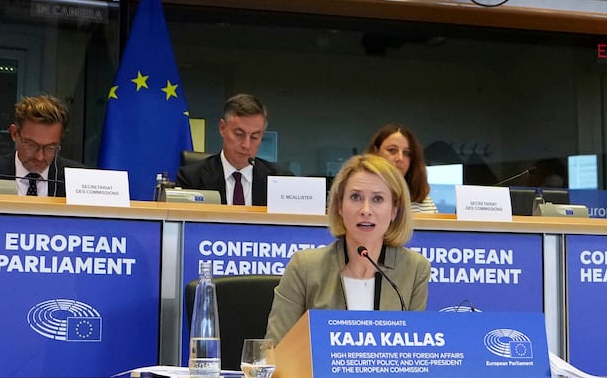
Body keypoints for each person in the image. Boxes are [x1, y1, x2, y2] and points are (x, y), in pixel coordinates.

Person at [264, 153, 430, 342]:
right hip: (314, 372)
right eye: (355, 197)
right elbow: (275, 349)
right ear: (339, 206)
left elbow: (415, 354)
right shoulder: (305, 267)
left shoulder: (414, 269)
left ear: (394, 209)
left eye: (377, 199)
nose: (365, 210)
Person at [175, 93, 279, 205]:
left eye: (254, 137)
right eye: (239, 134)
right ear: (222, 128)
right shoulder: (191, 179)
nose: (246, 145)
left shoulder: (279, 181)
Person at [0, 95, 77, 197]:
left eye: (50, 147)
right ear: (14, 133)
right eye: (31, 145)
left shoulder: (78, 180)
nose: (40, 157)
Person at [366, 123, 437, 214]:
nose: (400, 158)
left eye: (406, 153)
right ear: (376, 152)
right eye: (392, 150)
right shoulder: (360, 193)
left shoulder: (423, 201)